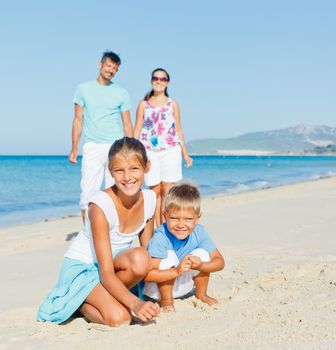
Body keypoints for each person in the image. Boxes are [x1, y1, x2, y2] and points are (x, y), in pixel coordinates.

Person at [38, 137, 160, 326]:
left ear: (147, 166)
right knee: (122, 318)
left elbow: (151, 254)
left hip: (114, 267)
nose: (127, 177)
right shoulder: (100, 206)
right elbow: (105, 272)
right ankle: (79, 301)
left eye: (134, 168)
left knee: (142, 258)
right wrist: (135, 303)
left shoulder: (150, 200)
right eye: (119, 170)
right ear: (110, 172)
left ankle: (104, 298)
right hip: (85, 268)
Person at [69, 51, 133, 224]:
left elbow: (127, 123)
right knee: (88, 193)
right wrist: (74, 147)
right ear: (100, 65)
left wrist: (132, 149)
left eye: (115, 68)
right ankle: (87, 233)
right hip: (92, 146)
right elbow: (77, 120)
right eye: (108, 66)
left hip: (116, 147)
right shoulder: (83, 89)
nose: (111, 70)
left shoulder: (121, 93)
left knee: (115, 192)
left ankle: (112, 234)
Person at [143, 182, 225, 312]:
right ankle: (167, 302)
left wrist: (200, 266)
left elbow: (220, 262)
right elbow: (147, 275)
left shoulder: (199, 232)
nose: (181, 225)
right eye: (174, 218)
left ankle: (201, 294)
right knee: (169, 257)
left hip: (183, 286)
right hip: (156, 291)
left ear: (197, 218)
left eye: (188, 219)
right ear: (165, 215)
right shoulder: (160, 237)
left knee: (202, 254)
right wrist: (176, 271)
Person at [134, 68, 192, 227]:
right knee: (154, 193)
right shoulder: (143, 105)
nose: (159, 81)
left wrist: (185, 154)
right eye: (156, 78)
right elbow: (137, 129)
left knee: (167, 192)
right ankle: (156, 231)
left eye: (162, 79)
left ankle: (165, 230)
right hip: (149, 152)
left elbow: (178, 129)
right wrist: (132, 151)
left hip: (170, 151)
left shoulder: (173, 104)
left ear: (167, 82)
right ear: (151, 80)